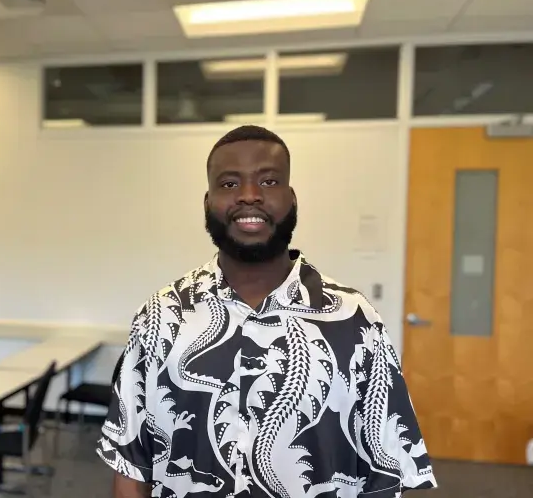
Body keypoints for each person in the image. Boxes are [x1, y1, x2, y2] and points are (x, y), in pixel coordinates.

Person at [96, 126, 437, 498]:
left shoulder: (355, 320)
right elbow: (131, 463)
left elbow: (389, 470)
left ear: (291, 199)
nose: (249, 196)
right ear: (208, 202)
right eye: (229, 184)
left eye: (269, 181)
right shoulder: (161, 315)